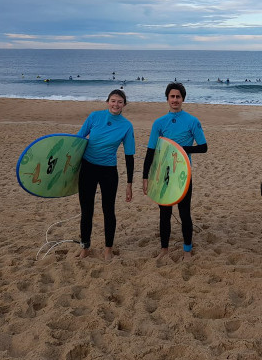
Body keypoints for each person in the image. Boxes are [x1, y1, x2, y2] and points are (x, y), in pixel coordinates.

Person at [142, 83, 207, 261]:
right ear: (167, 99)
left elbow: (203, 147)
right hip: (163, 173)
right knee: (164, 213)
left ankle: (187, 250)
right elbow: (151, 151)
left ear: (183, 99)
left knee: (184, 212)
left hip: (183, 173)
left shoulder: (192, 121)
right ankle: (164, 249)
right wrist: (145, 176)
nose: (175, 100)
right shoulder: (159, 123)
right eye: (172, 96)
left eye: (178, 97)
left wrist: (179, 149)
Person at [76, 89, 135, 259]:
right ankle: (85, 247)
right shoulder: (94, 116)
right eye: (113, 100)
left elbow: (129, 156)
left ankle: (108, 249)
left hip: (108, 171)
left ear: (124, 104)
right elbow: (78, 141)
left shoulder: (126, 126)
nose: (116, 104)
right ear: (107, 101)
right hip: (88, 167)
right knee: (86, 210)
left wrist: (129, 183)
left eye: (119, 101)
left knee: (108, 210)